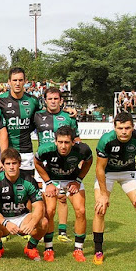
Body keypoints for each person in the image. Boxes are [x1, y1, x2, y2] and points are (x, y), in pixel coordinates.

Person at [93, 112, 136, 265]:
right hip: (107, 173)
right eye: (120, 128)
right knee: (100, 208)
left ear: (133, 127)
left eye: (127, 128)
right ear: (114, 128)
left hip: (129, 173)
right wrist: (103, 194)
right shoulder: (106, 140)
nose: (124, 131)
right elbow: (99, 168)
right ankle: (98, 251)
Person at [34, 126, 93, 262]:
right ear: (55, 141)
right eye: (60, 142)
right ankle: (49, 249)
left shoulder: (82, 149)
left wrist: (78, 181)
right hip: (52, 180)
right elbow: (37, 163)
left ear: (73, 142)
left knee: (81, 210)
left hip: (72, 180)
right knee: (49, 210)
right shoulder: (46, 149)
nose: (63, 146)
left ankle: (78, 249)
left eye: (66, 142)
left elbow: (89, 162)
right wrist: (48, 183)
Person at [34, 87, 80, 242]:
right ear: (45, 100)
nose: (53, 101)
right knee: (45, 197)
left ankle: (62, 231)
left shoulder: (68, 116)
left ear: (61, 100)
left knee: (62, 198)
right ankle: (43, 228)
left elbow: (77, 139)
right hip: (44, 161)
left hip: (64, 161)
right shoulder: (37, 115)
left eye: (56, 99)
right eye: (50, 99)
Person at [0, 148, 48, 261]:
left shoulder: (29, 180)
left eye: (14, 163)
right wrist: (7, 223)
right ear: (3, 165)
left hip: (23, 217)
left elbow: (39, 206)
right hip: (4, 219)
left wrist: (32, 223)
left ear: (19, 164)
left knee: (43, 222)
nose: (11, 167)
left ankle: (31, 247)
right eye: (8, 163)